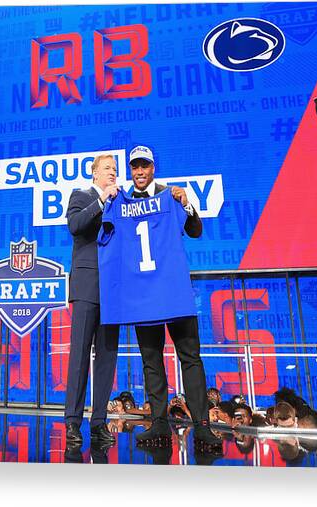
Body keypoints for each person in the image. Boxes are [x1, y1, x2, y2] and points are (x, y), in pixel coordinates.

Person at [126, 145, 219, 448]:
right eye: (135, 167)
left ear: (153, 168)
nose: (139, 172)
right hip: (144, 294)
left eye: (144, 166)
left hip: (175, 291)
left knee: (190, 358)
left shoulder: (171, 194)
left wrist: (187, 204)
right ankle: (159, 424)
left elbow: (194, 231)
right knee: (151, 361)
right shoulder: (122, 200)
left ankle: (202, 425)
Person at [64, 154, 120, 447]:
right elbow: (76, 225)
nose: (113, 173)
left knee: (107, 358)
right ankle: (72, 422)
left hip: (113, 290)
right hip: (87, 287)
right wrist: (101, 201)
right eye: (108, 169)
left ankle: (99, 422)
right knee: (79, 357)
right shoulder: (81, 196)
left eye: (115, 169)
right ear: (95, 174)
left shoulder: (121, 201)